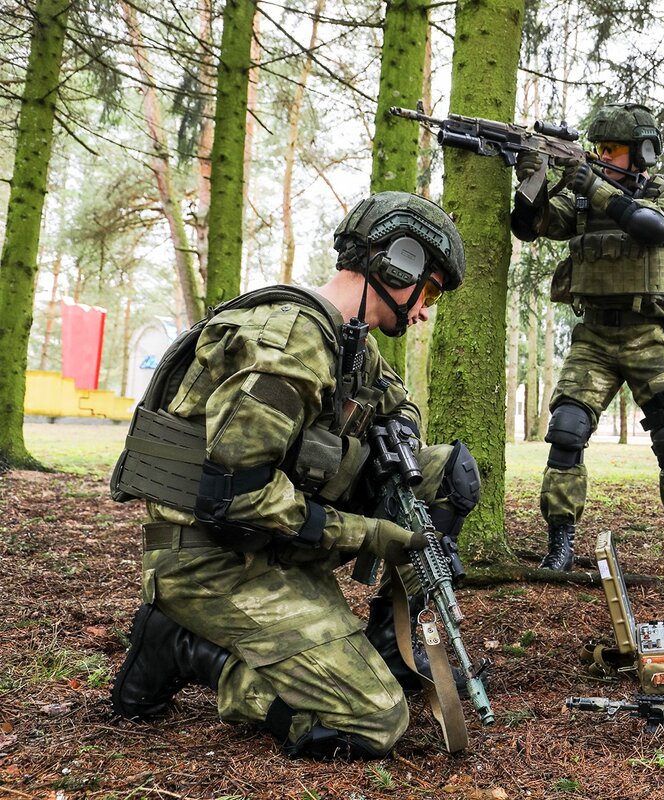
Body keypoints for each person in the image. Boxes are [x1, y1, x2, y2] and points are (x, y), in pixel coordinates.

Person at [109, 191, 482, 759]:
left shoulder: (347, 342)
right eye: (428, 290)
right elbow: (240, 495)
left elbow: (399, 406)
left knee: (446, 472)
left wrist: (398, 437)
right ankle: (182, 645)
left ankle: (383, 652)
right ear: (396, 263)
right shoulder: (291, 343)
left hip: (273, 542)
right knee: (374, 722)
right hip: (212, 559)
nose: (427, 308)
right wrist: (371, 536)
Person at [510, 101, 664, 575]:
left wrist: (595, 187)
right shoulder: (579, 198)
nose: (600, 155)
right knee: (566, 432)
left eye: (611, 149)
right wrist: (533, 174)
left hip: (648, 335)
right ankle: (559, 540)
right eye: (597, 148)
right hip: (593, 337)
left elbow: (653, 229)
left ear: (642, 153)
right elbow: (528, 224)